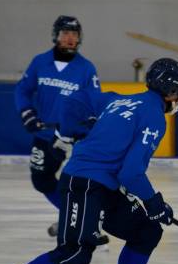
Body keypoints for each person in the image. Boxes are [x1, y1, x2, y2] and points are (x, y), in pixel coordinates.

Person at [0, 58, 178, 264]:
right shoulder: (154, 118)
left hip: (103, 186)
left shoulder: (119, 100)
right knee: (74, 255)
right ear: (172, 92)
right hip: (85, 183)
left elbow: (74, 100)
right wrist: (154, 203)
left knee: (146, 230)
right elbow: (131, 172)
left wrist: (71, 131)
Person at [13, 15, 108, 242]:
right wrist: (27, 113)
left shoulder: (86, 68)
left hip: (74, 137)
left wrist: (88, 125)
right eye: (65, 33)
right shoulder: (40, 62)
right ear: (56, 35)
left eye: (74, 34)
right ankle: (73, 215)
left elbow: (94, 100)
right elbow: (22, 90)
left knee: (81, 181)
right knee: (42, 180)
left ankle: (87, 221)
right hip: (45, 134)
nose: (70, 38)